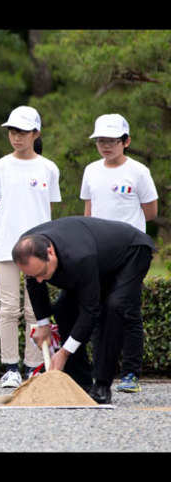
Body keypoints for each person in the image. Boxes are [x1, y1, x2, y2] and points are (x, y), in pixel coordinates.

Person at [12, 216, 155, 404]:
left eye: (43, 273)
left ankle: (102, 385)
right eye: (33, 275)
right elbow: (34, 285)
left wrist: (64, 353)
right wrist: (43, 325)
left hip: (132, 252)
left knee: (114, 307)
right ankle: (81, 383)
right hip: (98, 259)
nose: (40, 280)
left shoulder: (79, 257)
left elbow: (90, 311)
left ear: (50, 252)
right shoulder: (27, 249)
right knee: (63, 309)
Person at [80, 113, 158, 393]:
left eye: (112, 140)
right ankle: (102, 372)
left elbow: (151, 210)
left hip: (130, 252)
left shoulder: (138, 172)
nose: (106, 146)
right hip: (99, 250)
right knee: (99, 310)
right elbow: (88, 211)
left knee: (127, 310)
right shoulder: (91, 170)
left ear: (126, 141)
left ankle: (131, 373)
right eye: (101, 140)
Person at [0, 105, 61, 388]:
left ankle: (33, 366)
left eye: (22, 132)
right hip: (6, 244)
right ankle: (10, 368)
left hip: (38, 249)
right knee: (8, 308)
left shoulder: (48, 168)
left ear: (36, 134)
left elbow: (47, 209)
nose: (17, 138)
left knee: (35, 309)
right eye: (12, 132)